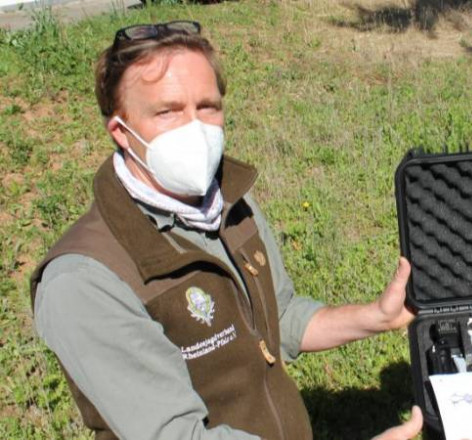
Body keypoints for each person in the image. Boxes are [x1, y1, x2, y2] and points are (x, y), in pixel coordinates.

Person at [30, 21, 422, 440]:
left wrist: (375, 317)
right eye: (167, 111)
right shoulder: (85, 280)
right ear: (121, 133)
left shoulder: (229, 203)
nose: (194, 128)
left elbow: (279, 316)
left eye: (207, 107)